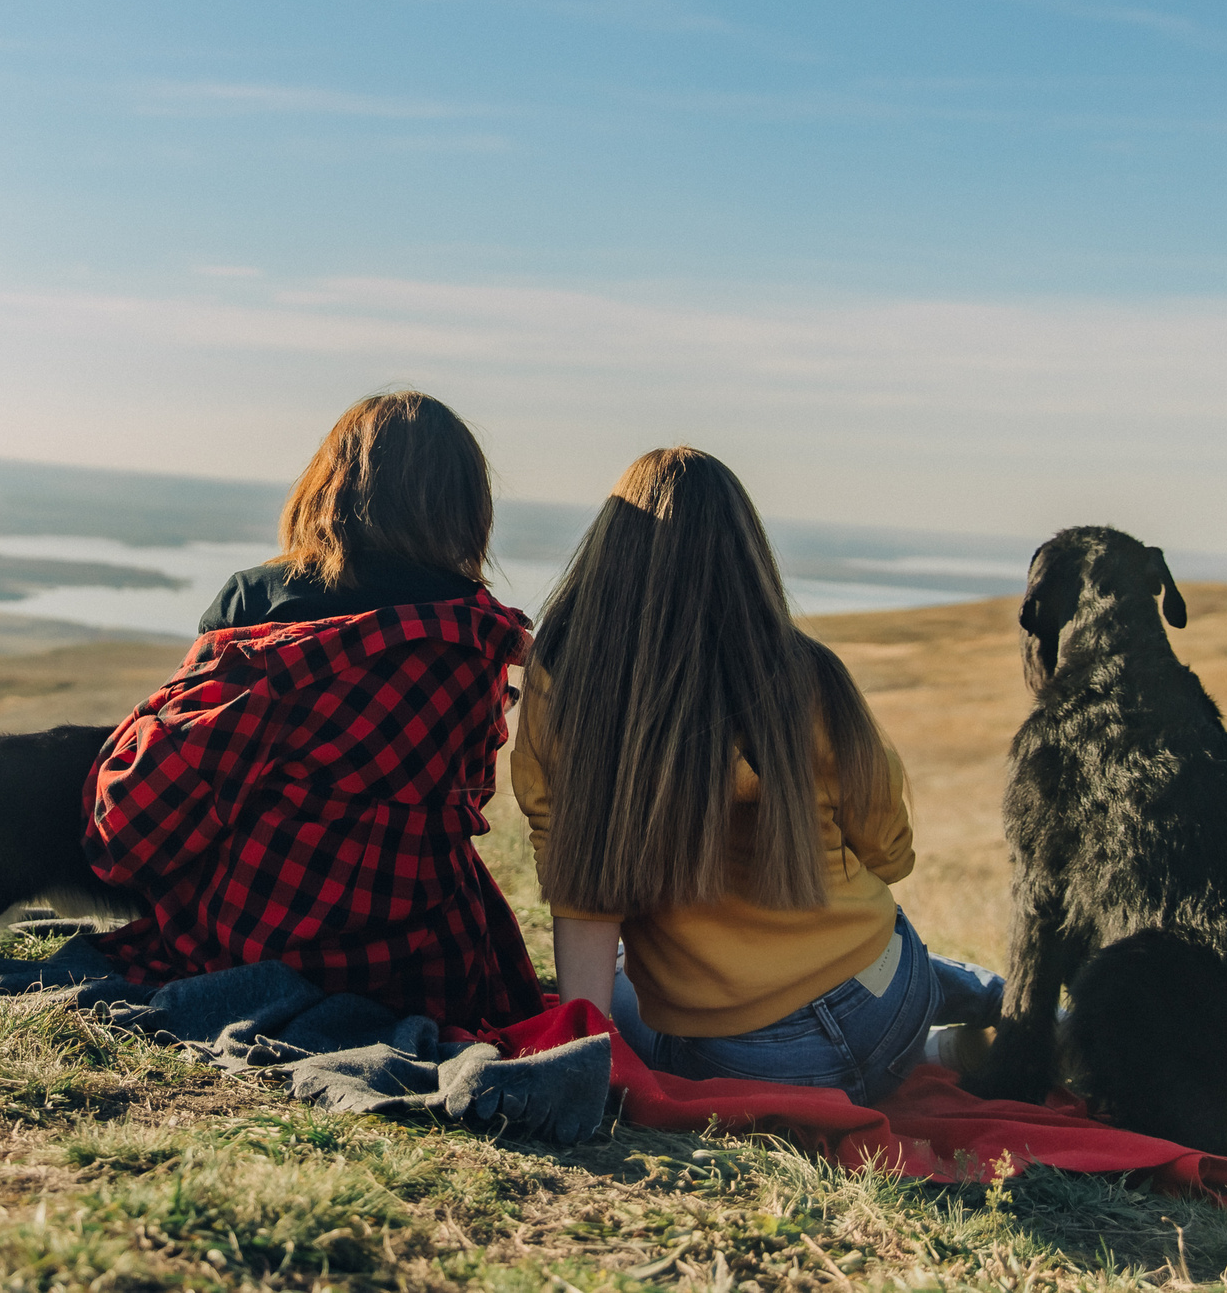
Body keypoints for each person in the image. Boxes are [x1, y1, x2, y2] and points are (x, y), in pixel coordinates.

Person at [511, 447, 1002, 1101]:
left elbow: (578, 885)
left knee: (629, 976)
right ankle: (986, 1015)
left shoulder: (567, 677)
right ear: (748, 553)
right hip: (886, 1008)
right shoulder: (812, 675)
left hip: (743, 1062)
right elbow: (890, 856)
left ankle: (959, 1029)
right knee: (876, 942)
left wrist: (583, 1054)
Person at [82, 391, 545, 1030]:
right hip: (426, 954)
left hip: (253, 934)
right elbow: (464, 790)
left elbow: (143, 817)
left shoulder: (256, 604)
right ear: (466, 505)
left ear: (330, 486)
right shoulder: (478, 633)